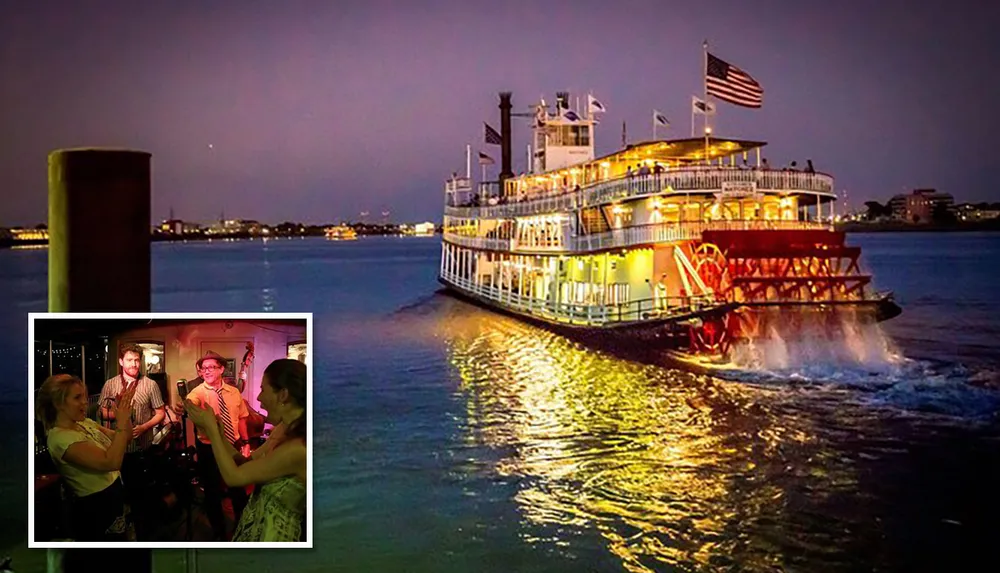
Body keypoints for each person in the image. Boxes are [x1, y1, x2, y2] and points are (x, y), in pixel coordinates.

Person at [186, 358, 307, 542]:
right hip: (255, 524)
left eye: (263, 390)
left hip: (273, 537)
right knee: (212, 492)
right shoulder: (283, 429)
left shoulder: (299, 446)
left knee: (237, 494)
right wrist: (217, 432)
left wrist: (213, 430)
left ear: (283, 395)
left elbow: (234, 477)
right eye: (204, 368)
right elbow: (246, 464)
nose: (258, 397)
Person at [37, 374, 137, 541]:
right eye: (77, 397)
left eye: (84, 396)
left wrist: (123, 416)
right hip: (96, 506)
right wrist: (120, 422)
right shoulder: (59, 438)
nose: (85, 402)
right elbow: (111, 461)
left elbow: (125, 438)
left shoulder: (85, 423)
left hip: (115, 494)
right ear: (58, 403)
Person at [98, 343, 165, 536]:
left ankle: (143, 535)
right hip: (117, 453)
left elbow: (160, 412)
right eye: (129, 360)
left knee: (142, 500)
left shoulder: (150, 385)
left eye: (137, 360)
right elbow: (102, 410)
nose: (134, 364)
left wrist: (144, 427)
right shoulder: (110, 384)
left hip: (141, 451)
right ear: (121, 361)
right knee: (118, 498)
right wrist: (120, 415)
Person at [186, 350, 250, 540]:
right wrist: (185, 405)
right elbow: (189, 403)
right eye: (203, 368)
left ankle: (243, 527)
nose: (206, 371)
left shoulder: (234, 392)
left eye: (211, 367)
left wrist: (246, 443)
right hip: (208, 448)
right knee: (212, 493)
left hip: (233, 445)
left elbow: (243, 419)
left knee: (238, 489)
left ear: (222, 369)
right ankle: (219, 535)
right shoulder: (197, 393)